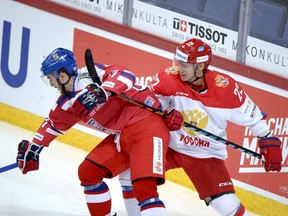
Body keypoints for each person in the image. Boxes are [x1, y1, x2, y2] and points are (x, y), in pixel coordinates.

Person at [16, 47, 183, 216]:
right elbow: (52, 124)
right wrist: (33, 150)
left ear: (62, 75)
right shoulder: (67, 100)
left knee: (143, 187)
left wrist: (103, 91)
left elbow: (126, 75)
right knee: (88, 172)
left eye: (51, 79)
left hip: (146, 124)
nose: (51, 84)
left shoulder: (90, 74)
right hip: (123, 135)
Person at [148, 38, 283, 215]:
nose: (179, 69)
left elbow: (254, 118)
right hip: (169, 146)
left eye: (185, 65)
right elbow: (149, 102)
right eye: (178, 63)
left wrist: (267, 138)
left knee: (228, 207)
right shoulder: (168, 78)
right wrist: (164, 113)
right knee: (132, 174)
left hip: (206, 154)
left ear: (200, 67)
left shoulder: (225, 88)